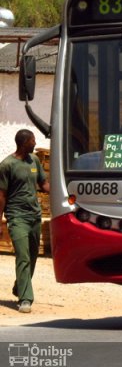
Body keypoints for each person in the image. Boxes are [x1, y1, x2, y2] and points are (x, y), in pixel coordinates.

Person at [0, 129, 49, 313]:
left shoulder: (34, 160)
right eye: (33, 140)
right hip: (17, 216)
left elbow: (43, 184)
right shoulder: (7, 165)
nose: (35, 143)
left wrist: (64, 193)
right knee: (23, 256)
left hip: (34, 216)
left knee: (33, 256)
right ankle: (25, 299)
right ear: (24, 142)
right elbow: (1, 196)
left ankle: (19, 286)